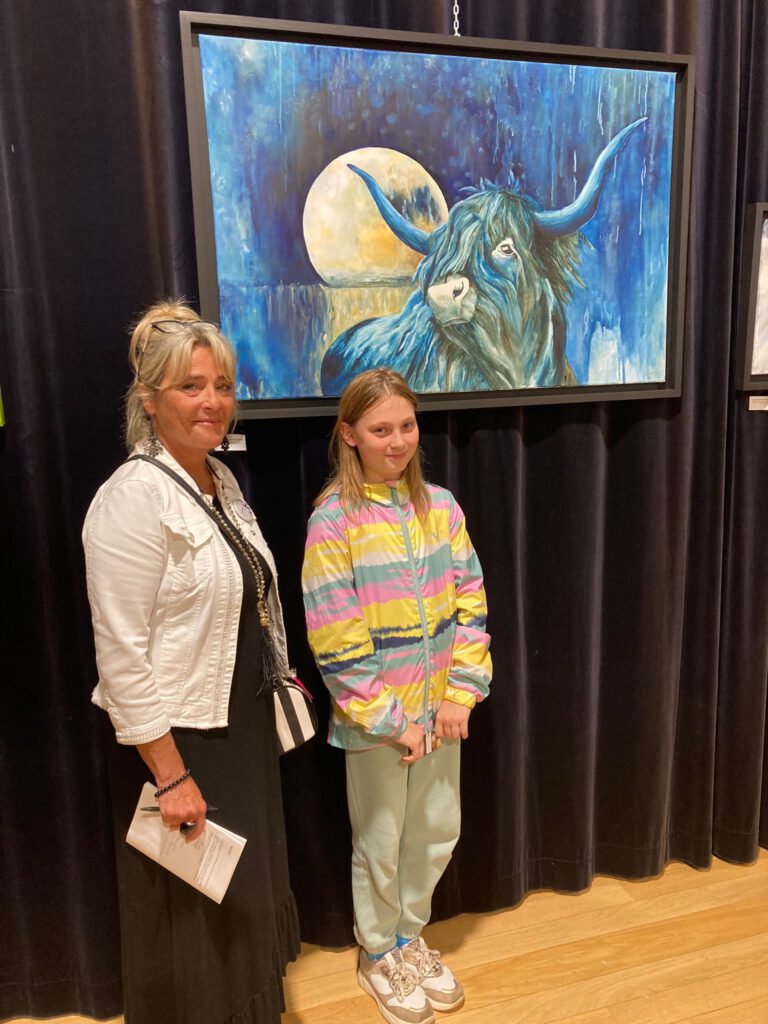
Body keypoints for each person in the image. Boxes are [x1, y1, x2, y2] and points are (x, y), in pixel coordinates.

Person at [83, 300, 300, 1024]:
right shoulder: (130, 499)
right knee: (192, 923)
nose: (213, 401)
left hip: (237, 726)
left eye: (223, 386)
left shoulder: (220, 483)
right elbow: (121, 656)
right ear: (150, 401)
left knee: (238, 906)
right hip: (180, 742)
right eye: (191, 386)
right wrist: (171, 774)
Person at [301, 369, 492, 1024]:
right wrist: (389, 720)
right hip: (377, 725)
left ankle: (410, 937)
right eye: (380, 429)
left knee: (437, 829)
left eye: (406, 426)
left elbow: (471, 602)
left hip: (442, 715)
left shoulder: (441, 507)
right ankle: (378, 950)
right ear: (350, 434)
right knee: (381, 839)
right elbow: (335, 633)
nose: (397, 441)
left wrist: (461, 693)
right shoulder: (333, 521)